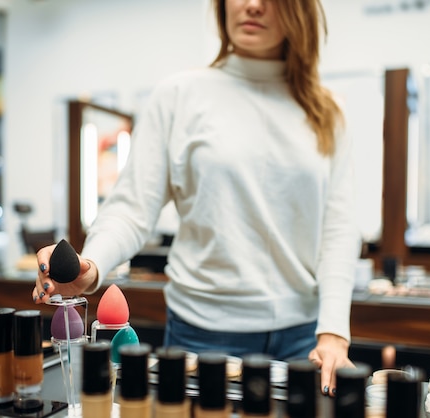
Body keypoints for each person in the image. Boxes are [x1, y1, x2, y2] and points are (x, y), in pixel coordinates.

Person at [32, 0, 360, 397]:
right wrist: (92, 264)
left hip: (305, 342)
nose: (252, 5)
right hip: (202, 336)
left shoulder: (327, 110)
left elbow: (338, 228)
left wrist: (334, 331)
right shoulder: (180, 95)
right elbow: (133, 207)